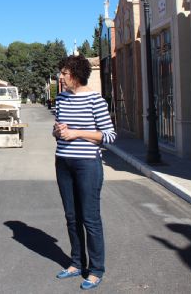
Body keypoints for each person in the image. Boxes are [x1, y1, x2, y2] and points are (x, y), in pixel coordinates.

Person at [52, 55, 116, 290]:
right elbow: (56, 130)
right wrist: (58, 131)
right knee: (71, 217)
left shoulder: (95, 100)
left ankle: (96, 269)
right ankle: (77, 262)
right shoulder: (60, 98)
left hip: (88, 164)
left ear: (77, 75)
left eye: (65, 73)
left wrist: (78, 133)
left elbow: (109, 136)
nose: (61, 77)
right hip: (63, 163)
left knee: (90, 219)